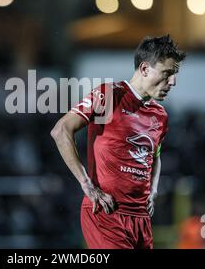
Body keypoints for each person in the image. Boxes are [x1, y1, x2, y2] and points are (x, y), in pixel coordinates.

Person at [50, 35, 186, 249]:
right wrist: (87, 184)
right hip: (107, 212)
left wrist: (153, 191)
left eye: (174, 74)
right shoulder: (109, 95)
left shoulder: (160, 115)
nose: (173, 82)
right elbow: (61, 130)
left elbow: (155, 155)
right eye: (167, 73)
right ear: (144, 69)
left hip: (141, 219)